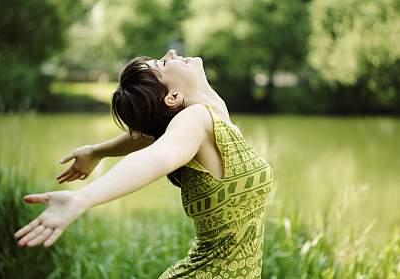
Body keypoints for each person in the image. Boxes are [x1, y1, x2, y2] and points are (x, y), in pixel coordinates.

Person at [14, 49, 274, 278]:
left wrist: (97, 151)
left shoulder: (213, 114)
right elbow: (157, 155)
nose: (172, 53)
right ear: (172, 96)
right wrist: (83, 198)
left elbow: (149, 136)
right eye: (162, 64)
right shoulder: (196, 119)